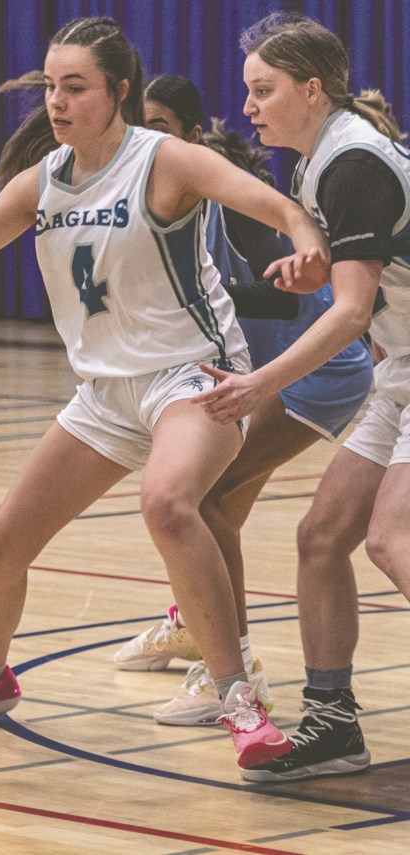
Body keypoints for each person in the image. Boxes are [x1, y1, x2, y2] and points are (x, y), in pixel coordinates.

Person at [0, 17, 331, 772]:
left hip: (192, 377)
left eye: (74, 86)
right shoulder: (43, 183)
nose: (56, 101)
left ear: (119, 91)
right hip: (105, 395)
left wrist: (305, 240)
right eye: (51, 86)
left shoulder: (167, 160)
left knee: (169, 502)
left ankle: (236, 696)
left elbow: (273, 206)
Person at [187, 13, 410, 782]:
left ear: (312, 90)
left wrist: (261, 381)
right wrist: (316, 275)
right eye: (248, 90)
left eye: (263, 90)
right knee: (322, 539)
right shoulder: (313, 166)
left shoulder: (354, 165)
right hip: (402, 371)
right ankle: (333, 723)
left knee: (391, 537)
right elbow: (362, 291)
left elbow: (350, 312)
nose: (248, 106)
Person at [113, 75, 373, 728]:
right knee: (205, 505)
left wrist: (202, 297)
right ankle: (196, 623)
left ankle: (231, 670)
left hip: (320, 366)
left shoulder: (214, 196)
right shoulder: (137, 198)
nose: (147, 138)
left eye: (161, 125)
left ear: (193, 135)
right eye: (138, 124)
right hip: (261, 373)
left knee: (208, 503)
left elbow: (283, 293)